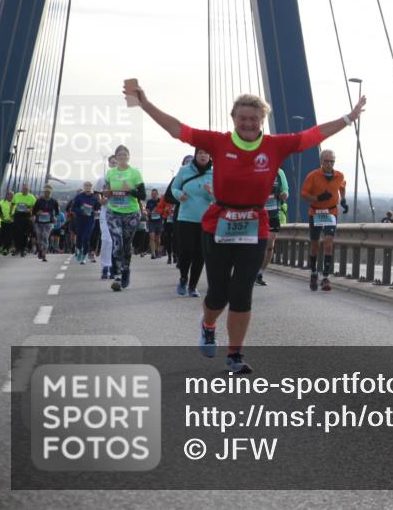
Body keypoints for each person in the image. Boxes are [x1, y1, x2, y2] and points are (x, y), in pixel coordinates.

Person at [129, 80, 365, 374]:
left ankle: (235, 354)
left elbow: (313, 135)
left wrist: (349, 118)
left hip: (255, 224)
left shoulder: (275, 146)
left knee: (242, 292)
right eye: (243, 118)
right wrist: (146, 104)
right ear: (234, 119)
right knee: (218, 293)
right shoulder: (219, 142)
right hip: (219, 223)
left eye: (254, 118)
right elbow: (178, 129)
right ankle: (208, 324)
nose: (248, 123)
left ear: (262, 121)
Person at [300, 150, 347, 292]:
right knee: (315, 245)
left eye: (332, 161)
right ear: (321, 161)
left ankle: (325, 277)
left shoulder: (339, 175)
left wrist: (343, 201)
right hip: (316, 212)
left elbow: (342, 187)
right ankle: (314, 273)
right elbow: (304, 195)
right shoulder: (313, 176)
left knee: (328, 243)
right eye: (326, 161)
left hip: (331, 212)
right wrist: (317, 198)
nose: (329, 164)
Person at [103, 145, 146, 290]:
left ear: (128, 156)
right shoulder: (110, 173)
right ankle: (117, 273)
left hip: (131, 213)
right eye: (119, 155)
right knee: (117, 241)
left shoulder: (135, 173)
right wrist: (106, 194)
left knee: (126, 245)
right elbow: (105, 190)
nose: (122, 157)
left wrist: (131, 191)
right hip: (113, 212)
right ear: (116, 157)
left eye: (124, 154)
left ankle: (126, 269)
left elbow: (142, 195)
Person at [172, 148, 214, 297]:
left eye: (206, 153)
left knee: (200, 254)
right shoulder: (184, 170)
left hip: (204, 220)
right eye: (200, 153)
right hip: (185, 218)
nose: (203, 155)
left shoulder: (213, 173)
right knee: (186, 251)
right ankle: (183, 278)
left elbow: (217, 200)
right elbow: (174, 188)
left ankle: (193, 286)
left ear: (210, 156)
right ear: (196, 155)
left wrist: (211, 193)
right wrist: (179, 195)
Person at [255, 168, 288, 287]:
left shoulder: (279, 172)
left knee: (269, 245)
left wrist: (284, 195)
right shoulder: (256, 169)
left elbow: (285, 192)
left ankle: (260, 273)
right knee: (257, 245)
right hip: (257, 214)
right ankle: (250, 270)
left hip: (274, 214)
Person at [96, 155, 117, 279]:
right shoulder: (102, 179)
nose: (114, 164)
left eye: (116, 163)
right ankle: (105, 266)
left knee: (115, 241)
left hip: (118, 213)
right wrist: (100, 200)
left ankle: (114, 267)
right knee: (107, 239)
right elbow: (97, 193)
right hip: (105, 212)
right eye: (112, 163)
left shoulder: (122, 179)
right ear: (109, 164)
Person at [70, 182, 101, 264]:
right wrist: (81, 211)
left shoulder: (94, 198)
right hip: (80, 220)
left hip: (90, 221)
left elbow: (98, 209)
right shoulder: (79, 197)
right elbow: (73, 208)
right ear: (84, 187)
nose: (88, 188)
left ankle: (84, 256)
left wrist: (96, 212)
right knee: (79, 238)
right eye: (86, 186)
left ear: (91, 188)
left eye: (89, 186)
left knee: (86, 238)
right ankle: (78, 249)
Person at [32, 185, 60, 261]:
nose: (47, 193)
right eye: (45, 192)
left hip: (49, 222)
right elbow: (33, 211)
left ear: (51, 192)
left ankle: (44, 254)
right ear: (44, 192)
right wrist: (37, 212)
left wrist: (55, 218)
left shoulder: (54, 201)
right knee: (39, 238)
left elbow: (57, 212)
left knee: (45, 237)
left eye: (48, 192)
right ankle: (40, 250)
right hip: (39, 222)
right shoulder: (39, 200)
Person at [11, 183, 36, 257]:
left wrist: (29, 210)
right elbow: (12, 204)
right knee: (16, 233)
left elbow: (34, 207)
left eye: (26, 189)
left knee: (25, 234)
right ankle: (17, 248)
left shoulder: (32, 197)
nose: (24, 190)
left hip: (26, 216)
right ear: (22, 189)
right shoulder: (16, 195)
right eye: (23, 189)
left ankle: (23, 249)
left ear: (28, 190)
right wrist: (11, 212)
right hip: (18, 215)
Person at [145, 189, 163, 258]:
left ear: (157, 194)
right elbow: (147, 209)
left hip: (159, 221)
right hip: (151, 221)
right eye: (152, 193)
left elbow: (163, 209)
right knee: (152, 237)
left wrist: (158, 210)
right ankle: (153, 254)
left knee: (157, 239)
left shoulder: (160, 201)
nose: (153, 195)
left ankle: (157, 250)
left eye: (155, 193)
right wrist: (148, 211)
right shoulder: (149, 201)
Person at [0, 190, 14, 255]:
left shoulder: (14, 203)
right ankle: (2, 247)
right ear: (6, 195)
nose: (11, 196)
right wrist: (0, 216)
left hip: (11, 222)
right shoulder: (0, 203)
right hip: (3, 221)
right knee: (3, 236)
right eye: (9, 194)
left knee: (9, 236)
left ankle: (6, 249)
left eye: (12, 195)